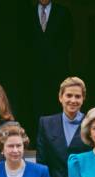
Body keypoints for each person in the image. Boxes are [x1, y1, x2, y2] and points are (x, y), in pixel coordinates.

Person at [29, 0, 74, 145]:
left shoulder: (63, 12)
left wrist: (56, 57)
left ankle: (57, 141)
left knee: (57, 104)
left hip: (57, 70)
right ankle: (38, 141)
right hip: (34, 70)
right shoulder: (28, 12)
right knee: (35, 104)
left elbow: (69, 38)